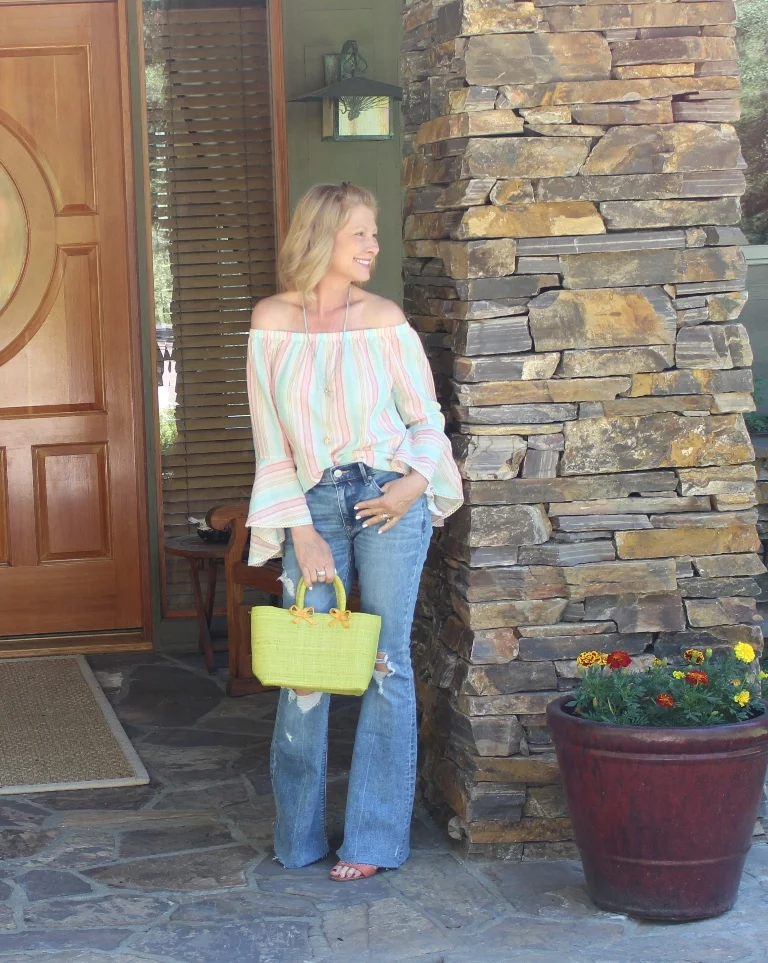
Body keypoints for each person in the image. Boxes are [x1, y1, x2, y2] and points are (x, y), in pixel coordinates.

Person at [246, 182, 463, 882]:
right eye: (359, 234)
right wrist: (300, 531)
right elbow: (270, 441)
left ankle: (373, 837)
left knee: (386, 662)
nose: (373, 246)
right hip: (310, 504)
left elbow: (426, 419)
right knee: (304, 669)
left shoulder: (384, 319)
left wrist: (412, 484)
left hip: (388, 496)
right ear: (321, 237)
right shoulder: (272, 321)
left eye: (374, 232)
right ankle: (299, 835)